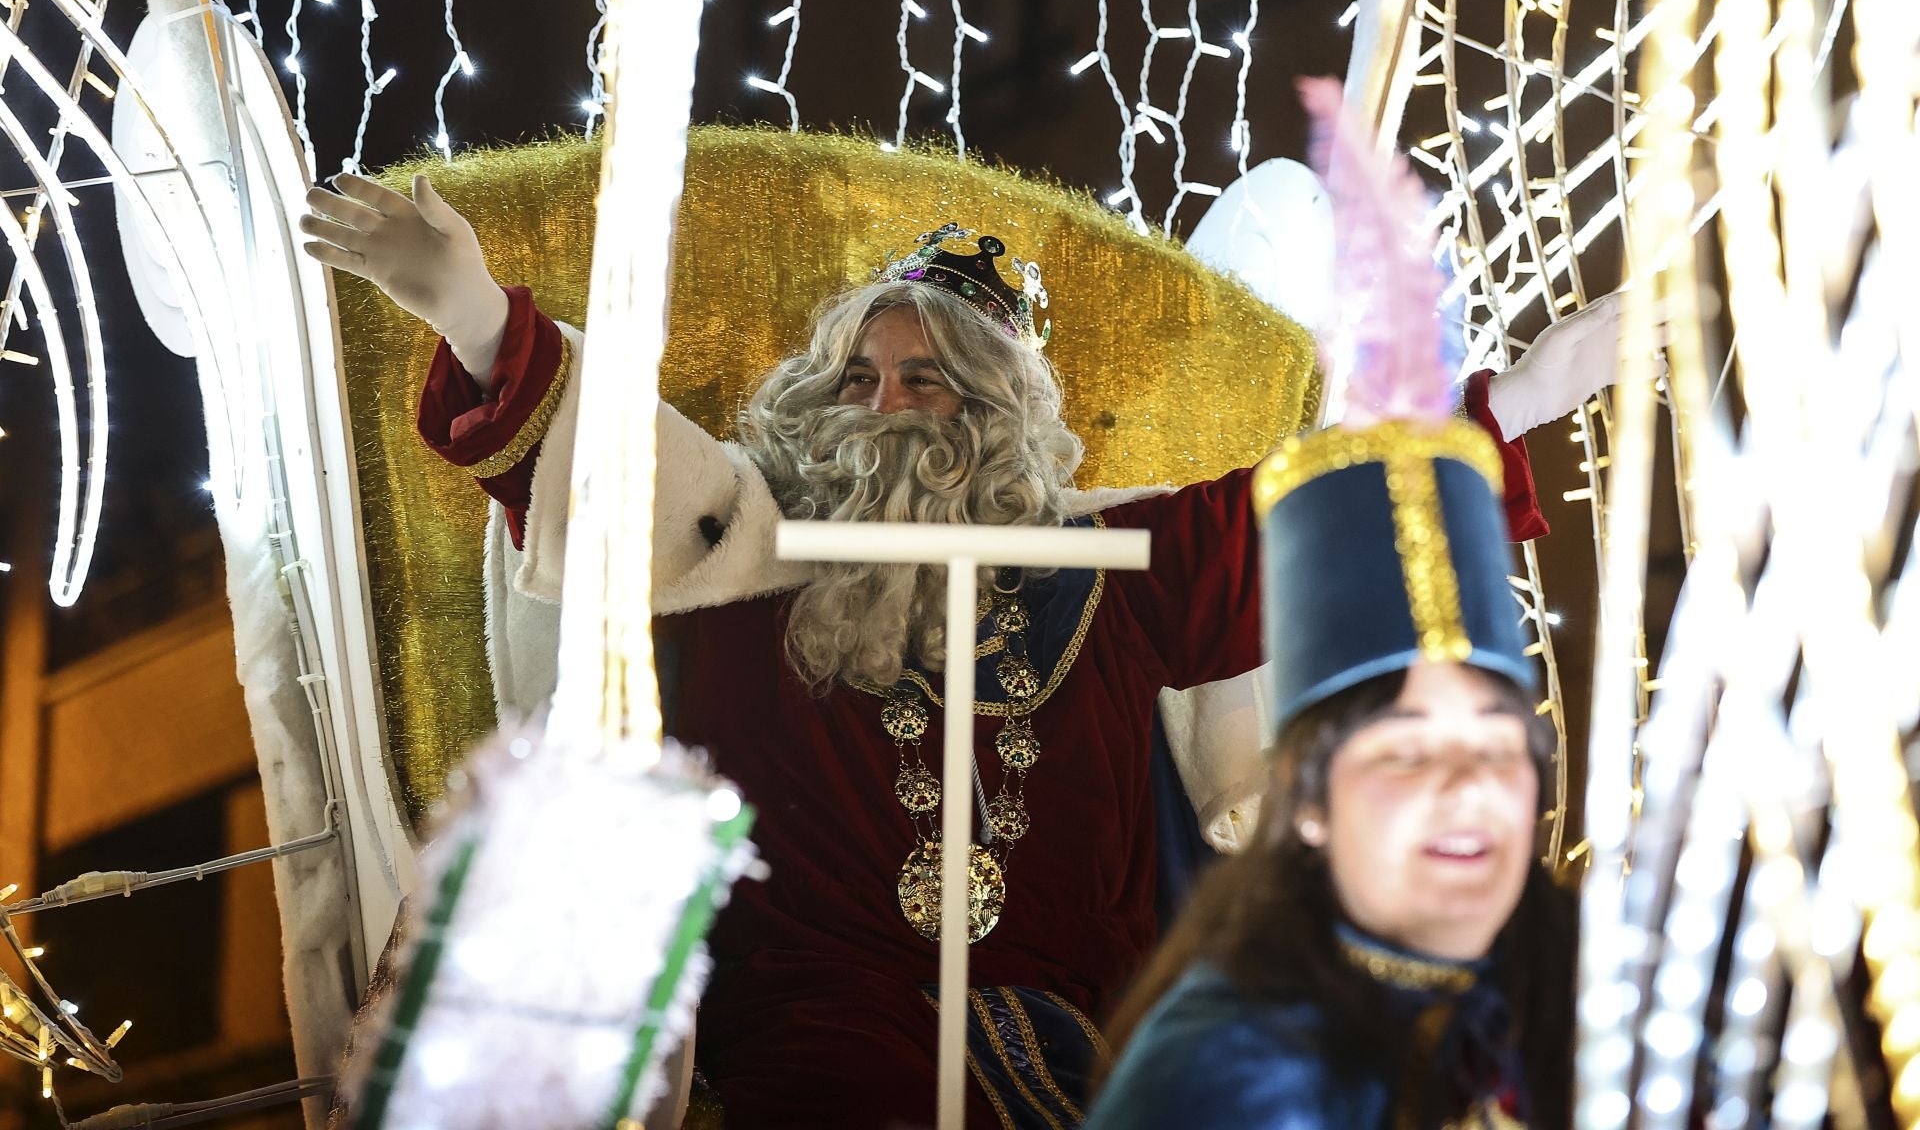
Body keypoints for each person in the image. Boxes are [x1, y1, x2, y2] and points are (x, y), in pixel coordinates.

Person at [297, 164, 1603, 1127]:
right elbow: (610, 470)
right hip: (810, 1061)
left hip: (1070, 1062)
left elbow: (1312, 523)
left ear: (996, 421)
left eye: (927, 382)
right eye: (860, 381)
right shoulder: (741, 543)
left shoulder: (1104, 571)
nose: (885, 408)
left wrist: (1527, 399)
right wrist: (472, 313)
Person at [1083, 368, 1576, 1128]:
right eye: (1406, 756)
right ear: (1309, 802)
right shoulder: (1231, 1070)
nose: (1465, 792)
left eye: (1497, 750)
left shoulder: (1604, 988)